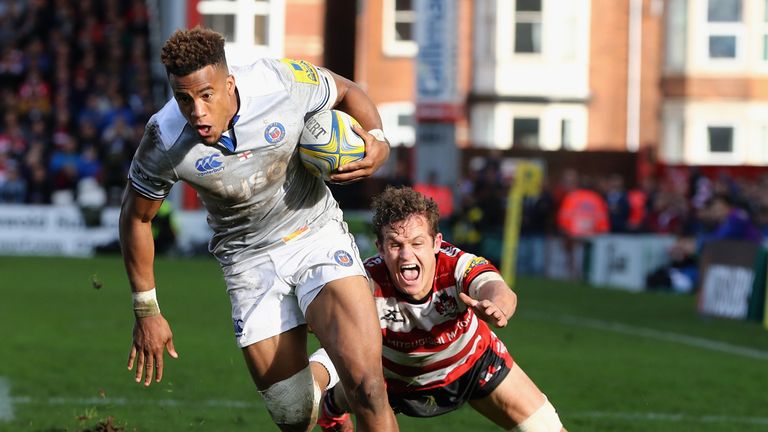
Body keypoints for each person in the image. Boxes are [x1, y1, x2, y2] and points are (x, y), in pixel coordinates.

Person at [119, 27, 398, 431]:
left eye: (206, 95)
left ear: (228, 83)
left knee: (369, 387)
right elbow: (136, 217)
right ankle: (330, 373)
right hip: (248, 263)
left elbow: (346, 90)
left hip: (314, 234)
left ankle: (346, 364)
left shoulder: (280, 83)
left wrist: (378, 138)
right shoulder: (163, 138)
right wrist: (147, 310)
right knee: (295, 416)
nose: (196, 111)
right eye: (184, 98)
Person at [311, 186, 566, 431]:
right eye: (395, 245)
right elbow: (339, 345)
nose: (407, 255)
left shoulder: (456, 265)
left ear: (436, 243)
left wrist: (496, 306)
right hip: (393, 378)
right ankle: (333, 403)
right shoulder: (365, 281)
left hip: (472, 363)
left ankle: (334, 401)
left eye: (417, 243)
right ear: (380, 248)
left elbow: (496, 288)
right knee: (361, 375)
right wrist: (310, 386)